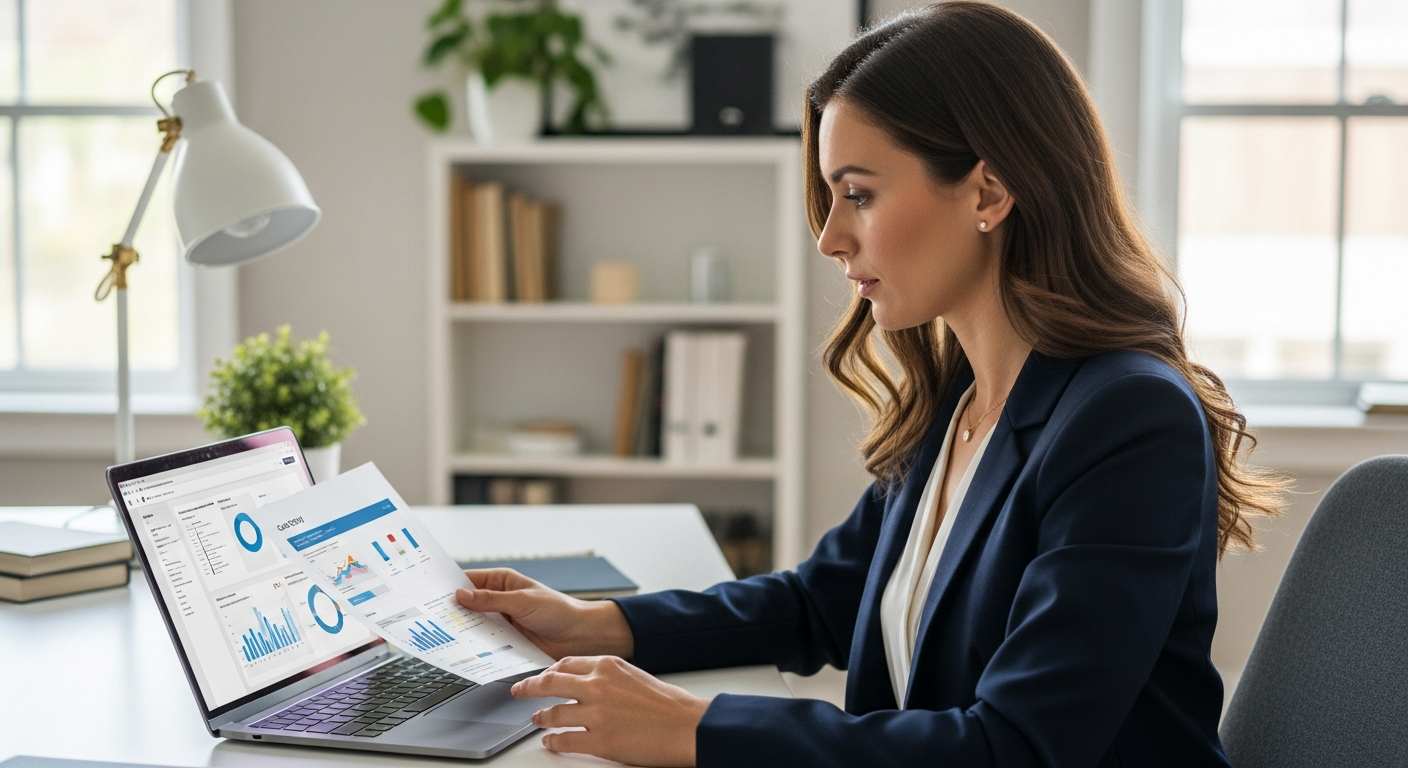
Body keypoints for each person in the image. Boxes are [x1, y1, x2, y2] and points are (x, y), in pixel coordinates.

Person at [455, 3, 1286, 766]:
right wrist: (606, 624)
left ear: (989, 192)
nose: (828, 237)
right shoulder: (965, 394)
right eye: (828, 197)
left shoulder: (1129, 420)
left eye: (858, 194)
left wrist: (694, 728)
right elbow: (824, 599)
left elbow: (1020, 747)